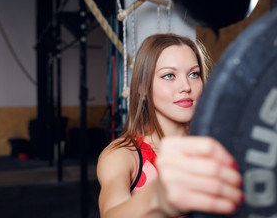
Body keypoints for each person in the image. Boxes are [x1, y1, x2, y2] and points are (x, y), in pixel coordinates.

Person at [97, 33, 244, 218]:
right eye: (169, 75)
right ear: (143, 87)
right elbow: (110, 213)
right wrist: (156, 197)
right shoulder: (122, 155)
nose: (186, 86)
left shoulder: (216, 146)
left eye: (194, 74)